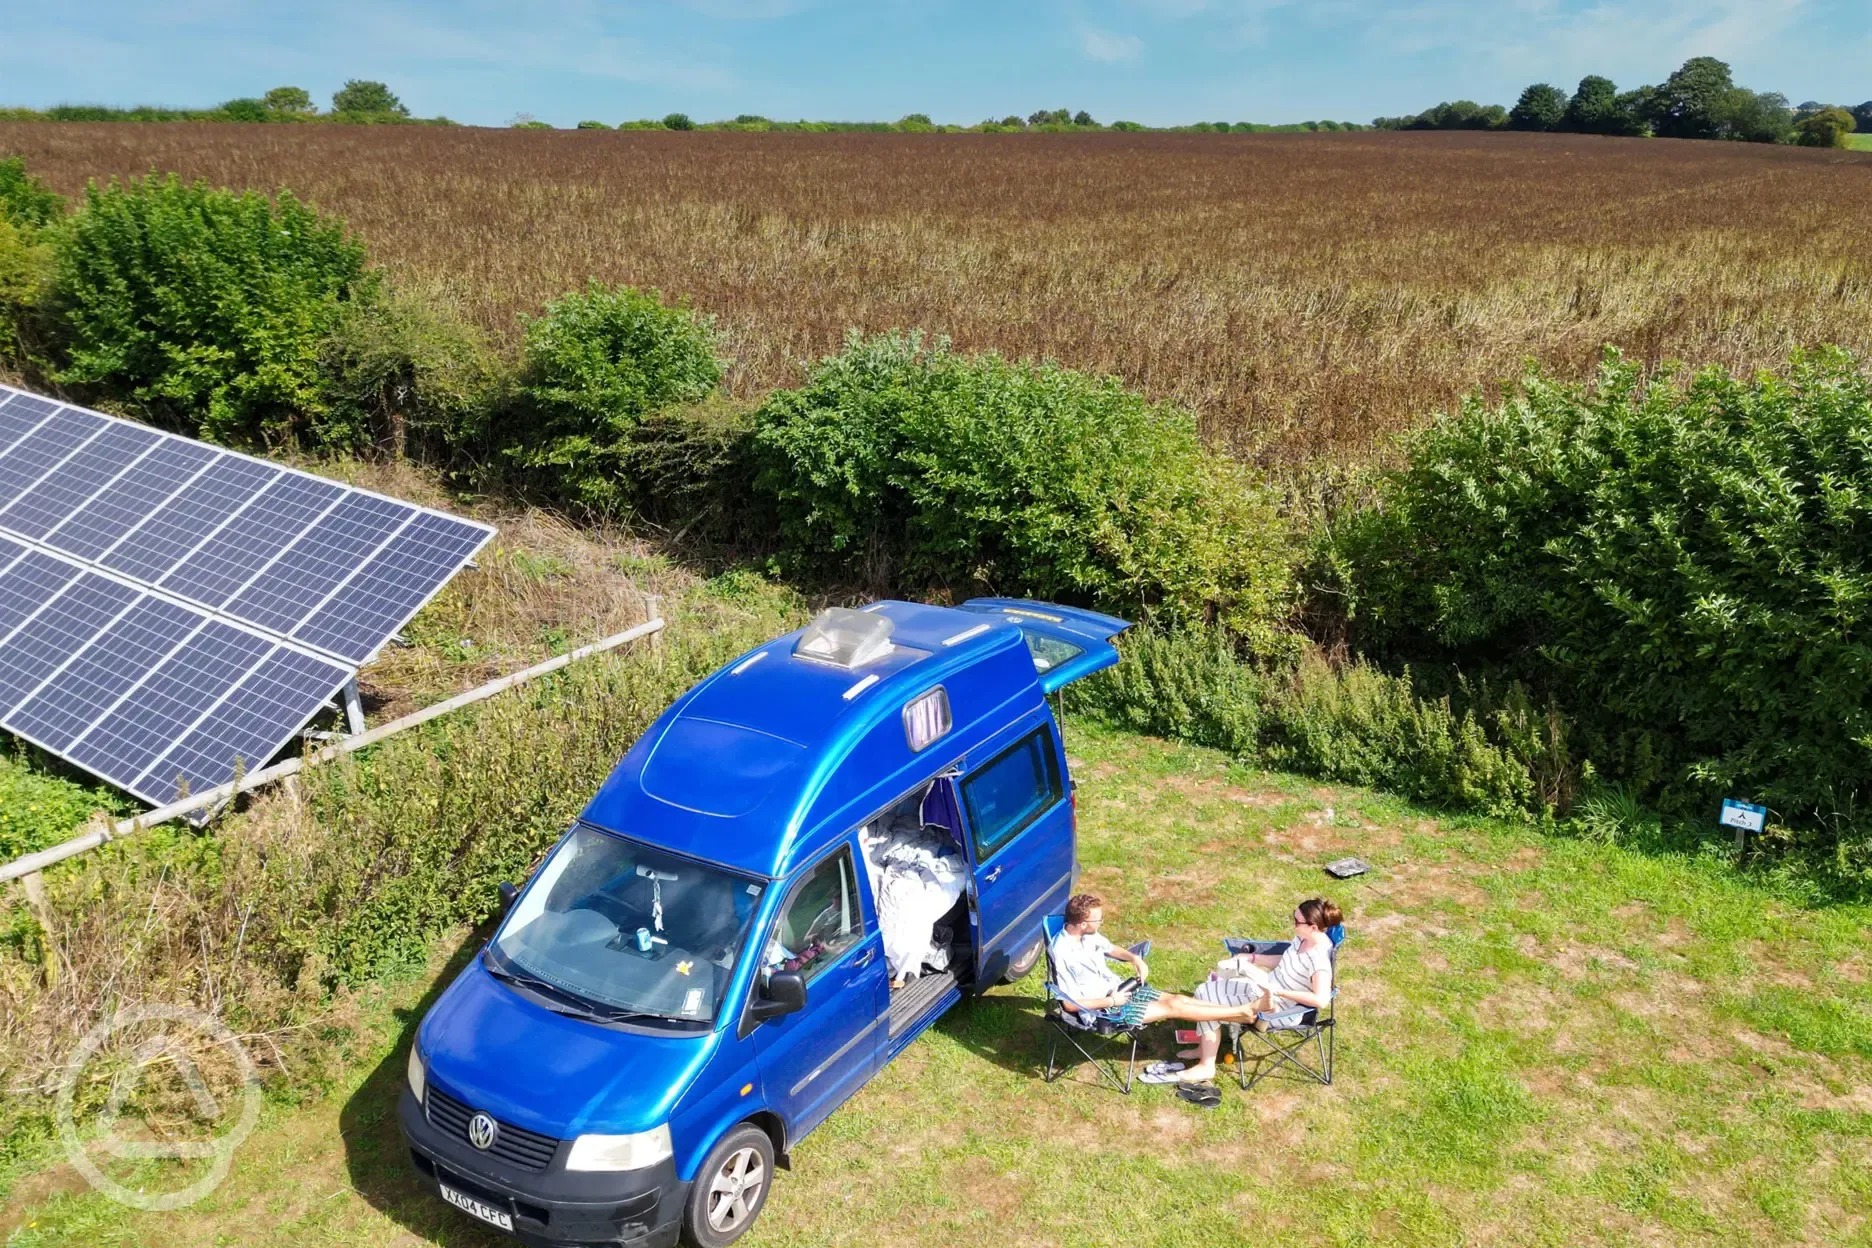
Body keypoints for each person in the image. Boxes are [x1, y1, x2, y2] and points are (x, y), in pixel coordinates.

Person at [1176, 897, 1341, 1084]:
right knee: (1203, 990)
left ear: (1313, 927)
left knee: (1209, 1004)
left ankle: (1207, 1066)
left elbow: (1321, 1000)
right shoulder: (1303, 938)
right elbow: (1284, 960)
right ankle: (1203, 1047)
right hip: (1264, 987)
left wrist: (1279, 991)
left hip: (1279, 1009)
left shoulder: (1319, 961)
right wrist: (1251, 958)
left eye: (1297, 921)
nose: (1293, 924)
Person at [1049, 893, 1265, 1035]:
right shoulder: (1062, 952)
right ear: (1084, 923)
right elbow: (1068, 1004)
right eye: (1099, 920)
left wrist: (1135, 958)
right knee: (1174, 1007)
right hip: (1106, 1011)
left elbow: (1111, 949)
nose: (1102, 923)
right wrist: (1111, 1000)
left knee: (1178, 998)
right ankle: (1244, 1013)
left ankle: (1242, 1013)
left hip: (1122, 990)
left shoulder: (1088, 935)